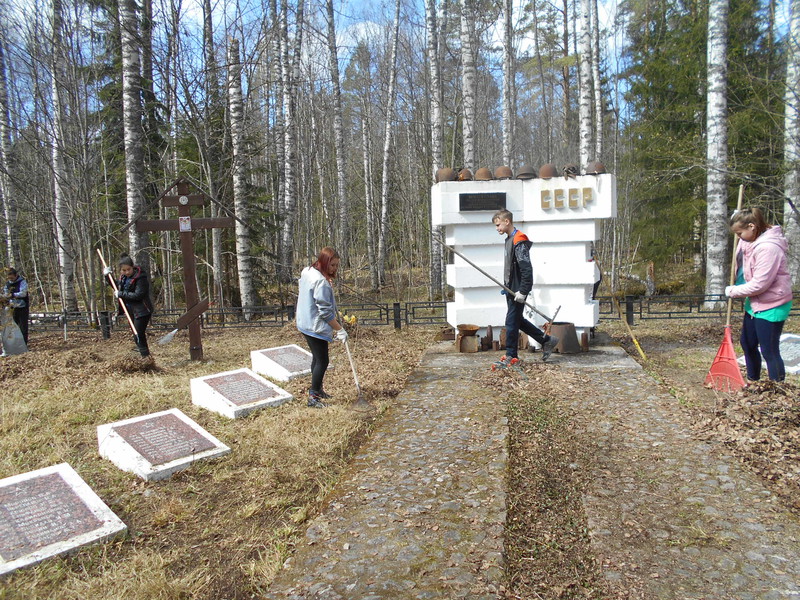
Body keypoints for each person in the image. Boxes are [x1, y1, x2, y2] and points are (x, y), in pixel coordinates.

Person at [725, 207, 793, 382]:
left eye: (740, 233)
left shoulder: (768, 248)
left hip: (773, 303)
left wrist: (732, 291)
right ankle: (753, 381)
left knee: (769, 350)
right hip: (755, 303)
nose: (739, 238)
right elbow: (743, 245)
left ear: (752, 226)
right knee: (747, 344)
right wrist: (736, 217)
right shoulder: (751, 238)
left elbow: (760, 284)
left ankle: (776, 389)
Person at [492, 209, 558, 363]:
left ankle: (511, 356)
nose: (497, 228)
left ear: (506, 221)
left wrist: (523, 291)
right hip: (510, 289)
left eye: (498, 225)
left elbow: (526, 268)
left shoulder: (519, 240)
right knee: (517, 320)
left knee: (511, 322)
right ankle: (546, 340)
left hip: (518, 290)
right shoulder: (509, 239)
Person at [296, 247, 348, 408]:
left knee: (317, 358)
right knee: (323, 361)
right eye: (332, 265)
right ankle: (313, 398)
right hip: (314, 326)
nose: (334, 269)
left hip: (304, 321)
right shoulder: (321, 282)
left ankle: (318, 389)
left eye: (337, 265)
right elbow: (325, 313)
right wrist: (340, 329)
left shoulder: (308, 271)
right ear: (324, 262)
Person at [104, 254, 153, 357]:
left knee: (138, 334)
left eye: (128, 269)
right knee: (136, 335)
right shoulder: (123, 278)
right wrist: (108, 276)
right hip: (130, 310)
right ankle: (143, 354)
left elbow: (138, 295)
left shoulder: (140, 277)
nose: (126, 272)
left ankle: (146, 357)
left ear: (132, 267)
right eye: (123, 270)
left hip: (142, 310)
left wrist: (121, 294)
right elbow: (117, 286)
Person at [3, 267, 29, 346]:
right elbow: (6, 293)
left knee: (23, 327)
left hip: (22, 307)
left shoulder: (22, 282)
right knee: (14, 327)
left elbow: (23, 293)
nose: (11, 280)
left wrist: (13, 295)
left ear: (16, 275)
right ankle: (15, 344)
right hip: (12, 308)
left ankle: (23, 344)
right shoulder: (7, 284)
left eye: (12, 278)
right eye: (9, 278)